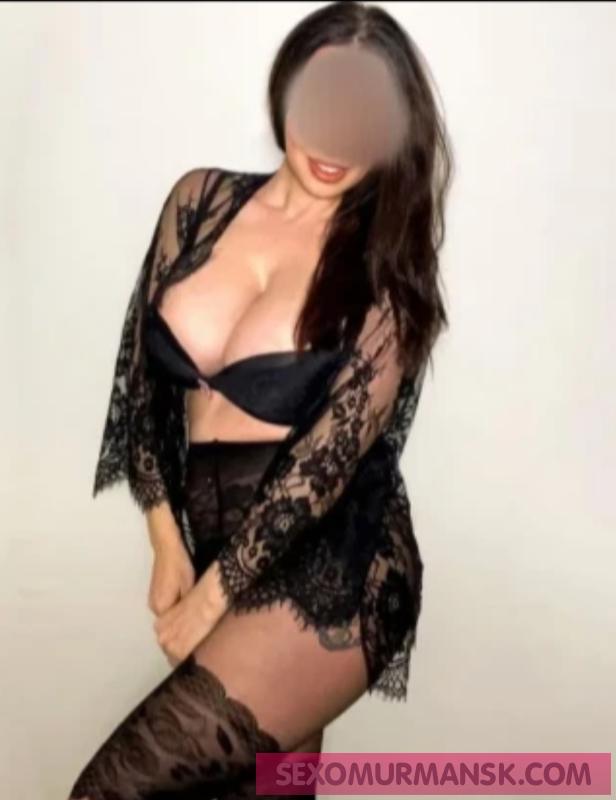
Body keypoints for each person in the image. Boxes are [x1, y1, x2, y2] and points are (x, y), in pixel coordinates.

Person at [68, 2, 452, 798]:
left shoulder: (384, 284)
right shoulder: (199, 202)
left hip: (331, 568)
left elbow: (323, 471)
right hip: (213, 543)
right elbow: (143, 382)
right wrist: (166, 542)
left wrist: (213, 597)